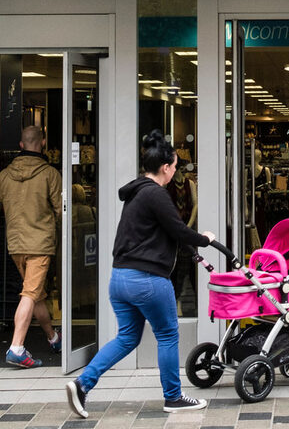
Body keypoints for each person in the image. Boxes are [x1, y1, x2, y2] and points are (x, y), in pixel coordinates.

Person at [65, 130, 215, 417]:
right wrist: (205, 239)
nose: (175, 171)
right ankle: (173, 397)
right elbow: (178, 229)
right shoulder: (156, 194)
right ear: (165, 168)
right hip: (147, 280)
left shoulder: (135, 194)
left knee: (127, 338)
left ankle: (82, 384)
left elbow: (159, 232)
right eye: (174, 166)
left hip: (119, 278)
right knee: (169, 335)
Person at [0, 124, 63, 368]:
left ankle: (53, 338)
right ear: (42, 143)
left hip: (16, 245)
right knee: (30, 294)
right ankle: (17, 347)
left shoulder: (4, 176)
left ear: (21, 146)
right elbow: (61, 211)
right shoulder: (50, 175)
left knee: (37, 295)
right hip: (40, 244)